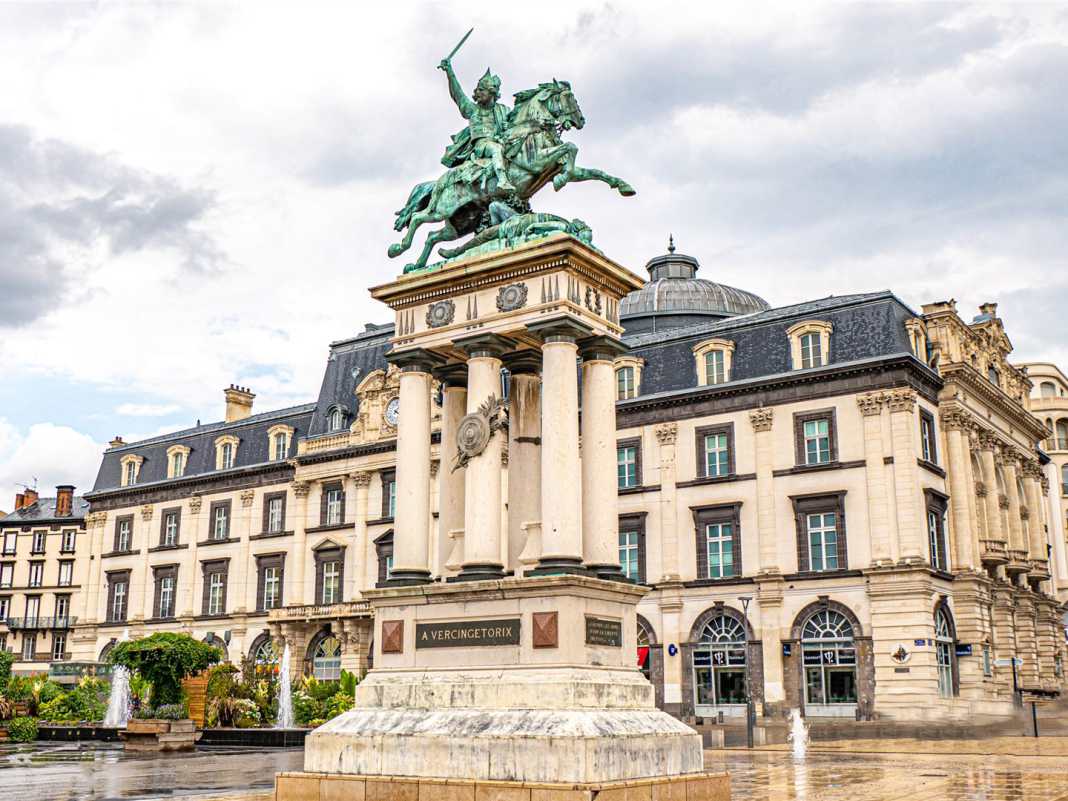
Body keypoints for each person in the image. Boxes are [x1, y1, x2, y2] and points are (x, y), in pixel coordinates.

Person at [438, 59, 516, 193]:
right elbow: (457, 94)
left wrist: (507, 127)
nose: (477, 93)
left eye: (481, 90)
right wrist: (449, 72)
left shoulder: (504, 110)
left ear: (491, 93)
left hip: (503, 142)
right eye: (477, 90)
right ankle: (503, 181)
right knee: (496, 148)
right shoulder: (472, 110)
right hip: (482, 145)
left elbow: (513, 127)